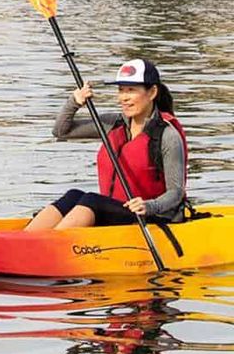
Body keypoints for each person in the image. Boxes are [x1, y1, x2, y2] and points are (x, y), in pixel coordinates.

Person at [24, 59, 188, 232]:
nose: (124, 97)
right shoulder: (112, 124)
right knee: (73, 196)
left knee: (91, 200)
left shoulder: (168, 136)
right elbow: (61, 131)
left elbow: (176, 193)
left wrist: (149, 206)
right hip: (118, 213)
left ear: (152, 92)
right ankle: (25, 240)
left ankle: (50, 246)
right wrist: (75, 101)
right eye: (121, 90)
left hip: (153, 216)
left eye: (131, 90)